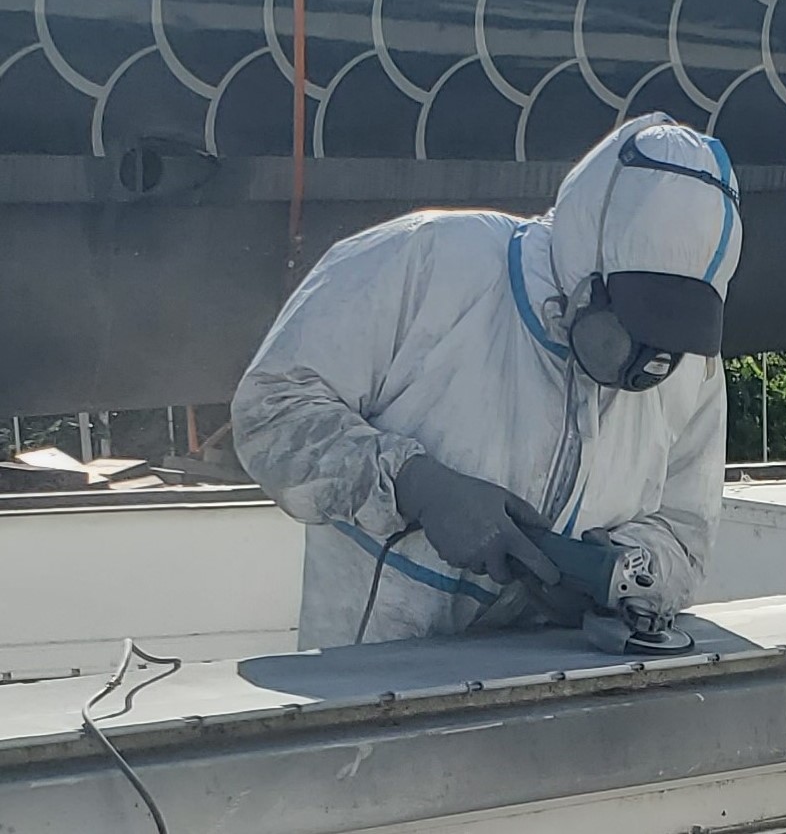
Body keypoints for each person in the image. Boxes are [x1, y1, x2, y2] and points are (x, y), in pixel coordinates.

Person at [230, 112, 743, 650]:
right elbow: (271, 411)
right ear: (584, 258)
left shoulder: (694, 369)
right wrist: (418, 486)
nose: (648, 362)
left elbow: (683, 536)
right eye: (636, 322)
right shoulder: (426, 262)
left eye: (673, 335)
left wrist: (616, 574)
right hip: (370, 677)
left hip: (547, 682)